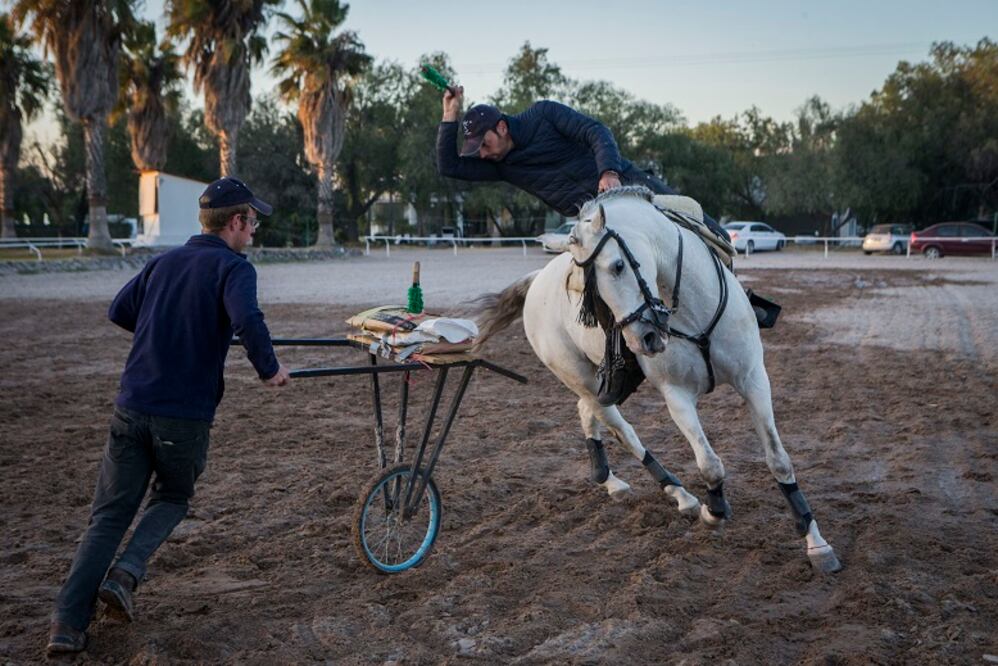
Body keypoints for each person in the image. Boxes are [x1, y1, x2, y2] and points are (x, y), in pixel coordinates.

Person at [46, 177, 291, 656]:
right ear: (236, 223)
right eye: (253, 220)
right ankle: (126, 573)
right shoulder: (235, 267)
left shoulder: (163, 262)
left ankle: (66, 626)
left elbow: (121, 309)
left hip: (131, 404)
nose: (256, 229)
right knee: (174, 495)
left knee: (107, 518)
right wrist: (270, 369)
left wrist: (170, 329)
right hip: (183, 415)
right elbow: (247, 321)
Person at [436, 88, 729, 405]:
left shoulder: (544, 114)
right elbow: (449, 166)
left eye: (483, 143)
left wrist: (608, 171)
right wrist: (450, 113)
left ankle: (737, 303)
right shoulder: (499, 163)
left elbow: (596, 131)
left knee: (709, 230)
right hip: (592, 225)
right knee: (599, 288)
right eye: (477, 149)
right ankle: (624, 365)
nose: (482, 153)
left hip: (630, 191)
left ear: (502, 127)